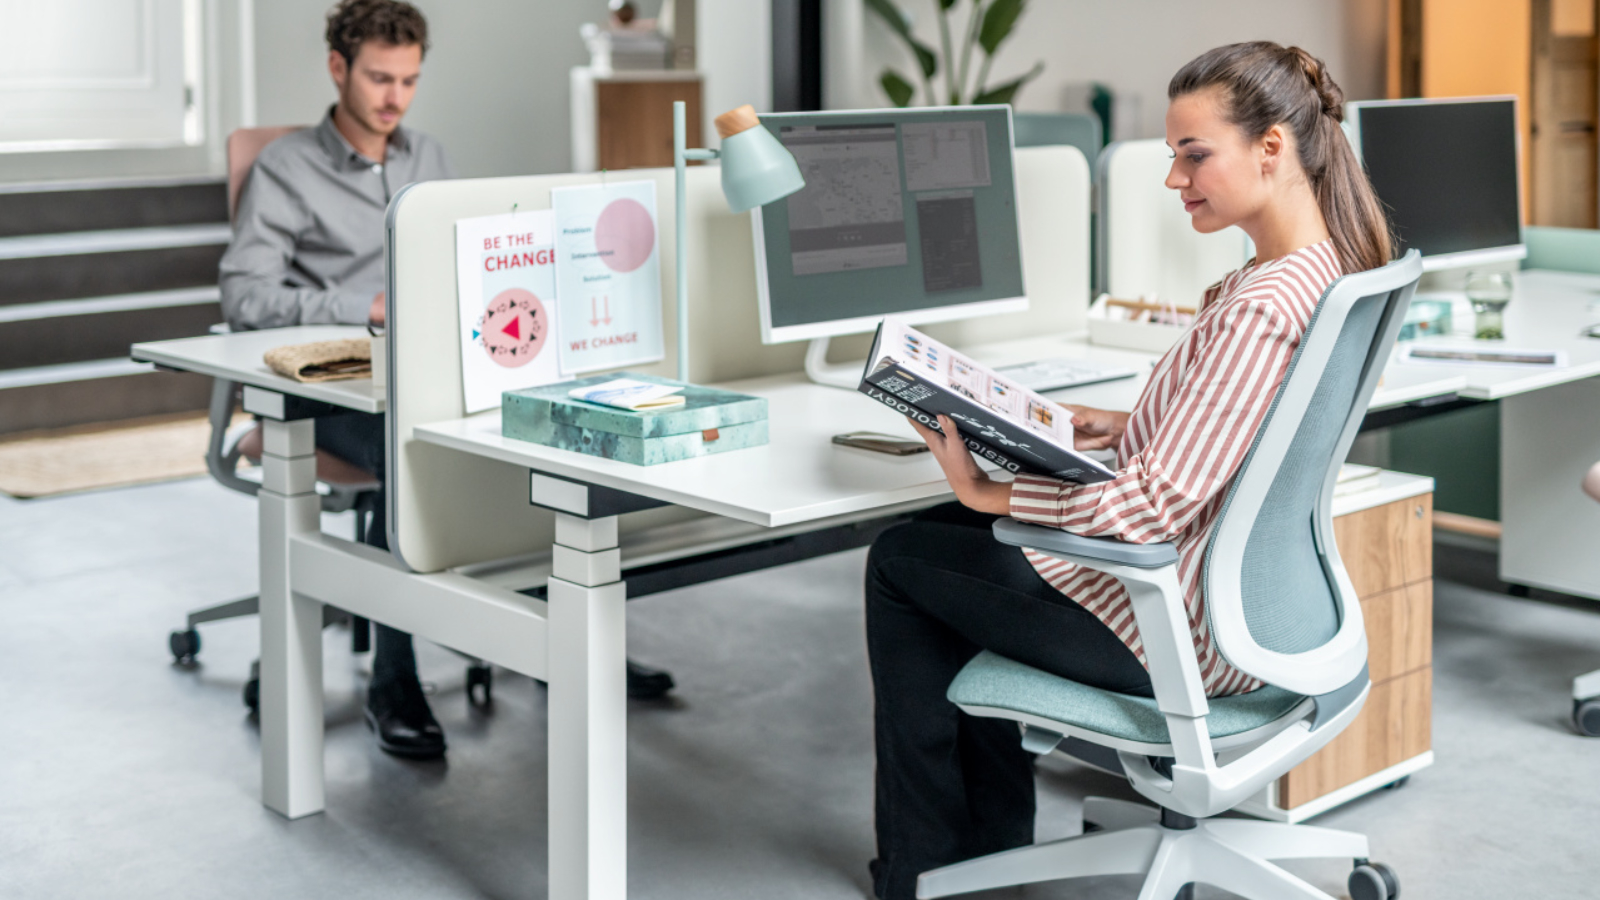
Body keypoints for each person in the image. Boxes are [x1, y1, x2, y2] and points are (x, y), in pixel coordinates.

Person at [861, 41, 1394, 900]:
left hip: (1175, 629)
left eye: (1194, 155)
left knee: (902, 560)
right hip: (1249, 612)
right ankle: (987, 845)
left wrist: (988, 488)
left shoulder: (1260, 309)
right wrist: (1124, 423)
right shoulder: (1324, 271)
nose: (1176, 179)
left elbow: (1150, 508)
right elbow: (1238, 440)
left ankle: (926, 869)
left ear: (1272, 148)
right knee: (951, 548)